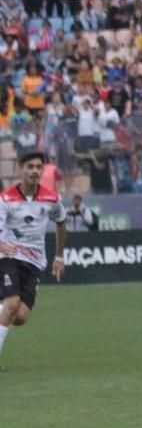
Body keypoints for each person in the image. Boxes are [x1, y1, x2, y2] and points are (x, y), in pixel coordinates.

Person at [0, 152, 68, 366]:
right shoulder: (6, 198)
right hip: (8, 256)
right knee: (11, 304)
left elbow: (61, 223)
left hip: (35, 262)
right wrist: (2, 245)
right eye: (30, 167)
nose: (35, 171)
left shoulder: (51, 198)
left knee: (20, 317)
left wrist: (59, 256)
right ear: (21, 169)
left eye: (39, 167)